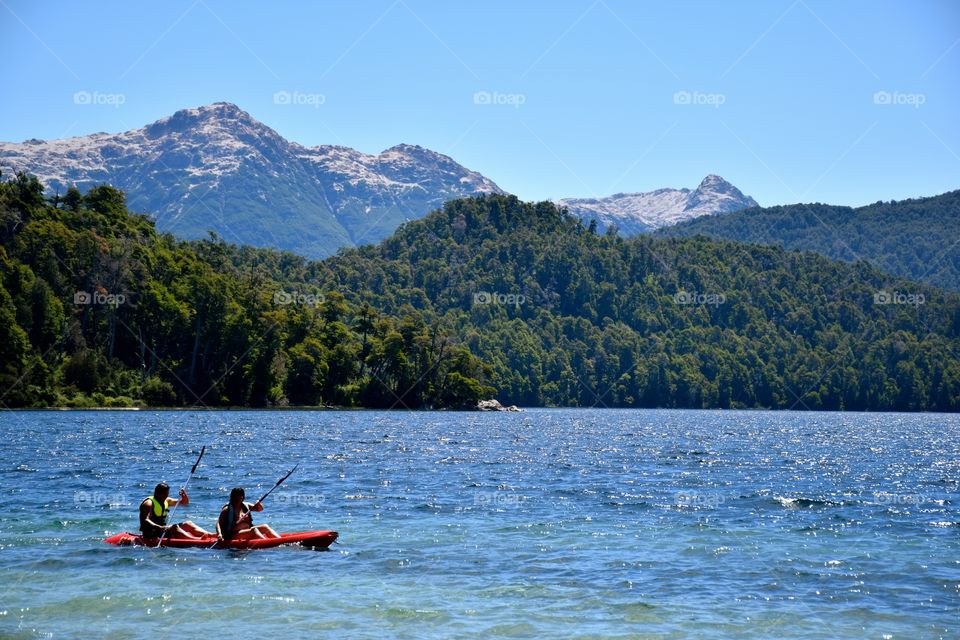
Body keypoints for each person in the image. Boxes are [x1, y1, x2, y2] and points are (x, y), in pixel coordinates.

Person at [139, 482, 211, 540]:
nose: (166, 496)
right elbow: (145, 520)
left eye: (167, 494)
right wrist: (160, 527)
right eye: (164, 495)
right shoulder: (148, 503)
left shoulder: (166, 500)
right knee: (175, 527)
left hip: (162, 530)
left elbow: (184, 502)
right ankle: (196, 539)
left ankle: (211, 535)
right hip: (151, 533)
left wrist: (184, 496)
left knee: (187, 523)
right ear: (157, 493)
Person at [216, 487, 281, 542]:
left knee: (265, 526)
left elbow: (260, 509)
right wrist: (219, 534)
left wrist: (258, 503)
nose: (237, 498)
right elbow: (218, 523)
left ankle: (280, 540)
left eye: (240, 496)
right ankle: (267, 543)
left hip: (247, 530)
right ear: (232, 497)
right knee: (254, 530)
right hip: (233, 535)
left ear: (243, 497)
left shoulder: (246, 505)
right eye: (235, 496)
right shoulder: (227, 509)